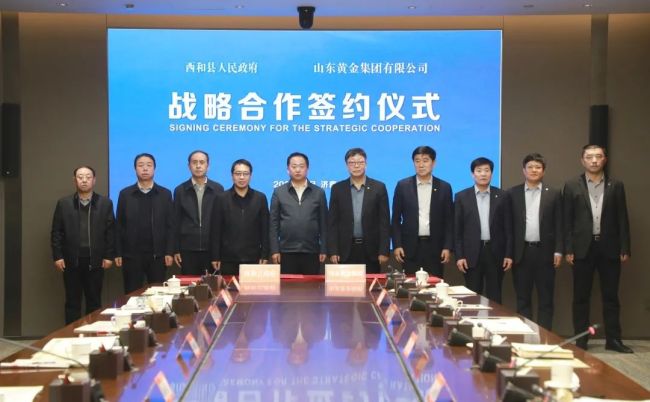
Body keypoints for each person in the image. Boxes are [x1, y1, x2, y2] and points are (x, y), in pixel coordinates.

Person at [564, 144, 632, 353]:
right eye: (589, 157)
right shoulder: (571, 185)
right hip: (582, 248)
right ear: (582, 160)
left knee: (611, 296)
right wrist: (568, 248)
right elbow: (567, 220)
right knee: (580, 297)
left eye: (598, 156)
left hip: (609, 247)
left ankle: (614, 340)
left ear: (605, 159)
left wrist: (625, 247)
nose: (594, 160)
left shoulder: (616, 185)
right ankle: (581, 340)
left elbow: (622, 218)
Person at [51, 166, 115, 324]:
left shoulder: (105, 203)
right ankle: (71, 334)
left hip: (96, 261)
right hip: (71, 261)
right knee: (72, 302)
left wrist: (109, 256)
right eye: (80, 177)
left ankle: (92, 334)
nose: (84, 180)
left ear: (94, 180)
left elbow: (111, 232)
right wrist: (57, 256)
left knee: (94, 302)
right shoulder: (64, 203)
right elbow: (56, 232)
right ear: (75, 180)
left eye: (88, 177)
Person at [508, 153, 563, 330]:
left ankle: (545, 337)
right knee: (522, 298)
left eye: (538, 167)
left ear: (543, 171)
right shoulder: (512, 193)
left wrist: (558, 250)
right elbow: (508, 227)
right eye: (530, 167)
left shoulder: (553, 193)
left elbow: (559, 224)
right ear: (523, 170)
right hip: (521, 252)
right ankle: (526, 335)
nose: (534, 170)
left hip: (545, 252)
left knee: (546, 298)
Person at [454, 157, 513, 303]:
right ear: (472, 174)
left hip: (495, 252)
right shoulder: (461, 196)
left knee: (495, 295)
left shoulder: (503, 196)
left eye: (487, 170)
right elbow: (457, 229)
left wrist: (508, 254)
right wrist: (459, 256)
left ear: (491, 173)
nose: (483, 174)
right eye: (479, 170)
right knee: (472, 296)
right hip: (471, 254)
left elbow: (508, 228)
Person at [115, 153, 174, 293]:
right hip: (132, 256)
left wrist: (169, 252)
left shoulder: (165, 194)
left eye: (149, 165)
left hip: (157, 256)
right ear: (135, 169)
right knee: (132, 294)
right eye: (141, 165)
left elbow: (170, 225)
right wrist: (118, 252)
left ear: (154, 168)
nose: (145, 169)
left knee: (158, 293)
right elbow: (119, 225)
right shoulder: (125, 194)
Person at [391, 145, 453, 277]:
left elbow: (449, 220)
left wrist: (447, 246)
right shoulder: (403, 186)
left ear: (433, 163)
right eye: (417, 161)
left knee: (434, 285)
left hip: (435, 248)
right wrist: (397, 245)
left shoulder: (444, 187)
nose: (421, 165)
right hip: (409, 248)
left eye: (425, 160)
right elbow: (395, 219)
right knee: (411, 285)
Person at [327, 148, 390, 273]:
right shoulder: (337, 189)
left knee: (370, 285)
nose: (356, 166)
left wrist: (384, 250)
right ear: (347, 165)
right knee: (346, 285)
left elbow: (384, 222)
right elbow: (332, 223)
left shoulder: (379, 187)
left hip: (371, 250)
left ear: (366, 164)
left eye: (360, 162)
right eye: (352, 163)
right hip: (345, 250)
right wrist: (333, 250)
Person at [269, 152, 327, 275]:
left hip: (312, 251)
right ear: (288, 169)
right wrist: (274, 250)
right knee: (287, 286)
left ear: (307, 169)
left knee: (311, 286)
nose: (298, 170)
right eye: (294, 166)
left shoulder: (319, 192)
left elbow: (324, 223)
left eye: (301, 166)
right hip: (286, 251)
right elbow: (273, 224)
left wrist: (324, 249)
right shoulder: (279, 192)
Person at [210, 159, 270, 275]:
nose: (241, 177)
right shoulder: (221, 198)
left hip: (253, 258)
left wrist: (264, 254)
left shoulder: (260, 198)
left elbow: (265, 229)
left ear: (251, 176)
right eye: (238, 174)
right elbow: (216, 230)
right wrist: (215, 256)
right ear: (232, 176)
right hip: (227, 259)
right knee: (229, 287)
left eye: (245, 174)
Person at [173, 150, 224, 275]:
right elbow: (175, 222)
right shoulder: (180, 190)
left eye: (202, 162)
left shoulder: (218, 189)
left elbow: (221, 222)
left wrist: (219, 251)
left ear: (208, 166)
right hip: (188, 249)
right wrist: (176, 249)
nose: (198, 166)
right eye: (194, 162)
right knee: (190, 285)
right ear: (189, 166)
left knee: (212, 285)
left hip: (211, 249)